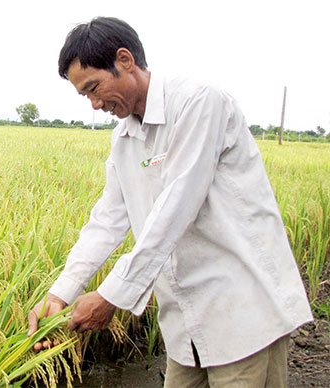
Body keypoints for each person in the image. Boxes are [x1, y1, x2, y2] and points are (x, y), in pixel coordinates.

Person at [26, 17, 313, 387]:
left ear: (125, 60)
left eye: (95, 87)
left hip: (242, 314)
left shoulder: (199, 103)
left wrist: (111, 296)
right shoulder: (125, 138)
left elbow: (175, 209)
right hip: (185, 325)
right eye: (85, 95)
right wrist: (60, 294)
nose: (95, 104)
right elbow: (108, 220)